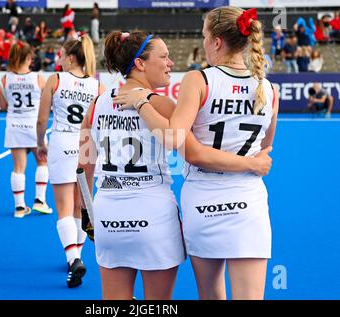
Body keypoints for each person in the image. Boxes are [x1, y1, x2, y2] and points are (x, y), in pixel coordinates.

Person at [81, 26, 273, 299]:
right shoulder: (163, 105)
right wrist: (252, 164)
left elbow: (83, 163)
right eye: (164, 57)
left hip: (108, 212)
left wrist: (85, 211)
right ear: (140, 63)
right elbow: (189, 149)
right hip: (152, 213)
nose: (171, 63)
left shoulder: (97, 103)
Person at [37, 34, 103, 288]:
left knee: (64, 207)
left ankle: (73, 257)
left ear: (72, 57)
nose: (60, 59)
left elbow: (42, 119)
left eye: (62, 55)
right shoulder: (97, 86)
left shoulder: (55, 79)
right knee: (79, 206)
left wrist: (40, 143)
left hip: (63, 140)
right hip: (86, 144)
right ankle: (76, 254)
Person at [0, 41, 52, 218]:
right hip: (34, 125)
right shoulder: (38, 78)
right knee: (42, 162)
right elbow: (47, 104)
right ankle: (40, 200)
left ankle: (20, 207)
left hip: (15, 126)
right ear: (28, 58)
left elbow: (3, 105)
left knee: (18, 168)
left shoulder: (5, 79)